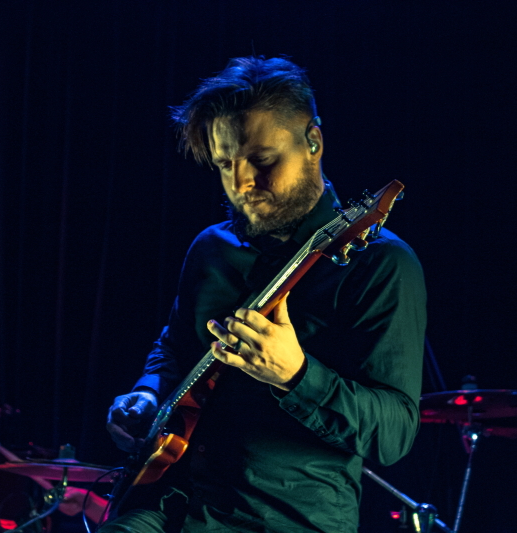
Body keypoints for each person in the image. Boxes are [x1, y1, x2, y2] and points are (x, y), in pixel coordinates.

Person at [103, 56, 426, 533]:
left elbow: (395, 432)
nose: (240, 184)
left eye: (262, 160)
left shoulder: (381, 264)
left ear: (313, 142)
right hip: (168, 502)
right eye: (224, 164)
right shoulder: (211, 248)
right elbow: (173, 346)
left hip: (281, 519)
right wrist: (148, 394)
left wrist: (295, 374)